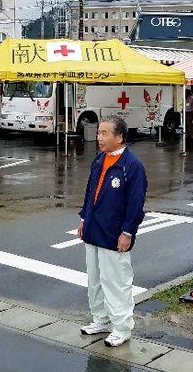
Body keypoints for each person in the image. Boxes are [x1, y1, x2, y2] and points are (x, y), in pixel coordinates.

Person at [77, 115, 147, 348]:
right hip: (94, 229)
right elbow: (90, 193)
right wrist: (83, 218)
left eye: (104, 133)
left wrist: (127, 232)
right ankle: (101, 319)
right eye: (98, 133)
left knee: (116, 281)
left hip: (114, 233)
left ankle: (122, 327)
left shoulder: (132, 165)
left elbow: (135, 203)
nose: (99, 137)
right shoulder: (99, 161)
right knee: (95, 279)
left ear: (120, 137)